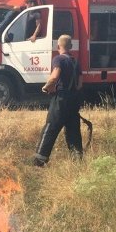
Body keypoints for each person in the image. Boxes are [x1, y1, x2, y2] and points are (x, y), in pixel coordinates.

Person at [31, 34, 83, 166]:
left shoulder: (58, 59)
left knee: (51, 128)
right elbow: (79, 85)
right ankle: (77, 160)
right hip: (74, 100)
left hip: (60, 100)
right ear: (70, 47)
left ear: (58, 46)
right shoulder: (76, 62)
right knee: (73, 131)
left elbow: (54, 76)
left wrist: (45, 87)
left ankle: (40, 160)